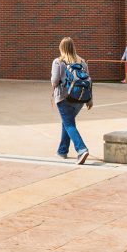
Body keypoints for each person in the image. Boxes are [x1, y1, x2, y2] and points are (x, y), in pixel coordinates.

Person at [51, 36, 92, 164]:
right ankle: (62, 151)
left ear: (61, 48)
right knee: (67, 122)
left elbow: (54, 81)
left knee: (69, 124)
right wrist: (89, 99)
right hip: (80, 99)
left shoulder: (58, 62)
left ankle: (81, 149)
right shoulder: (82, 62)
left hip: (64, 97)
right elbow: (89, 81)